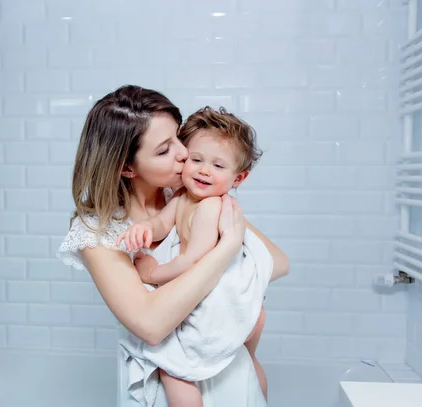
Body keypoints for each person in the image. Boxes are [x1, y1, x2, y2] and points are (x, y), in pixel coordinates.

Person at [56, 85, 289, 405]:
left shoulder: (193, 195)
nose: (184, 154)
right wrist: (225, 249)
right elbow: (151, 325)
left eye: (179, 138)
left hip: (224, 360)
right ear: (127, 167)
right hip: (171, 379)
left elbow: (277, 262)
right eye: (165, 149)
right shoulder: (98, 231)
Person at [117, 106, 267, 405]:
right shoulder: (184, 197)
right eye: (196, 159)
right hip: (202, 289)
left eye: (218, 166)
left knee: (174, 367)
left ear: (239, 179)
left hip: (211, 296)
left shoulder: (212, 207)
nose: (203, 170)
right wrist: (144, 228)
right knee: (249, 360)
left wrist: (151, 273)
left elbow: (193, 260)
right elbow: (162, 224)